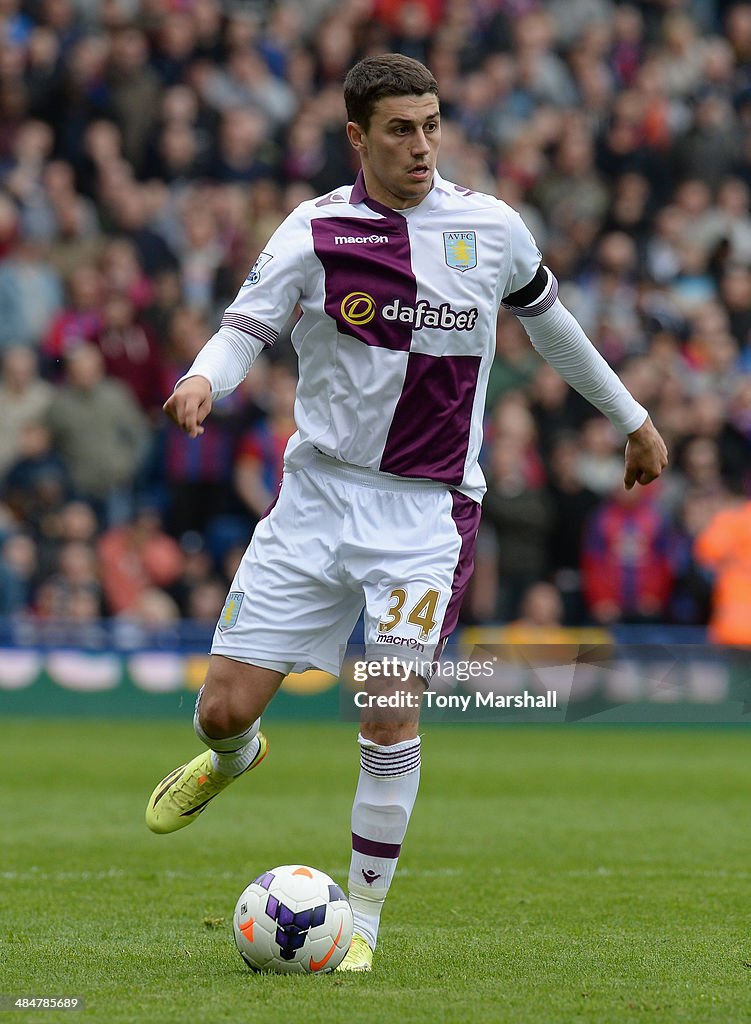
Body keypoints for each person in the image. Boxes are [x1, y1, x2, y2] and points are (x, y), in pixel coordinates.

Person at [145, 54, 668, 973]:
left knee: (386, 711)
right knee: (220, 712)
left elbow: (552, 325)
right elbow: (246, 328)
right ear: (357, 136)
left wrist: (630, 417)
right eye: (399, 128)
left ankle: (366, 928)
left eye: (430, 124)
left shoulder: (490, 227)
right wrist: (200, 377)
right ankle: (232, 760)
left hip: (425, 517)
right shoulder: (315, 232)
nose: (421, 144)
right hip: (313, 503)